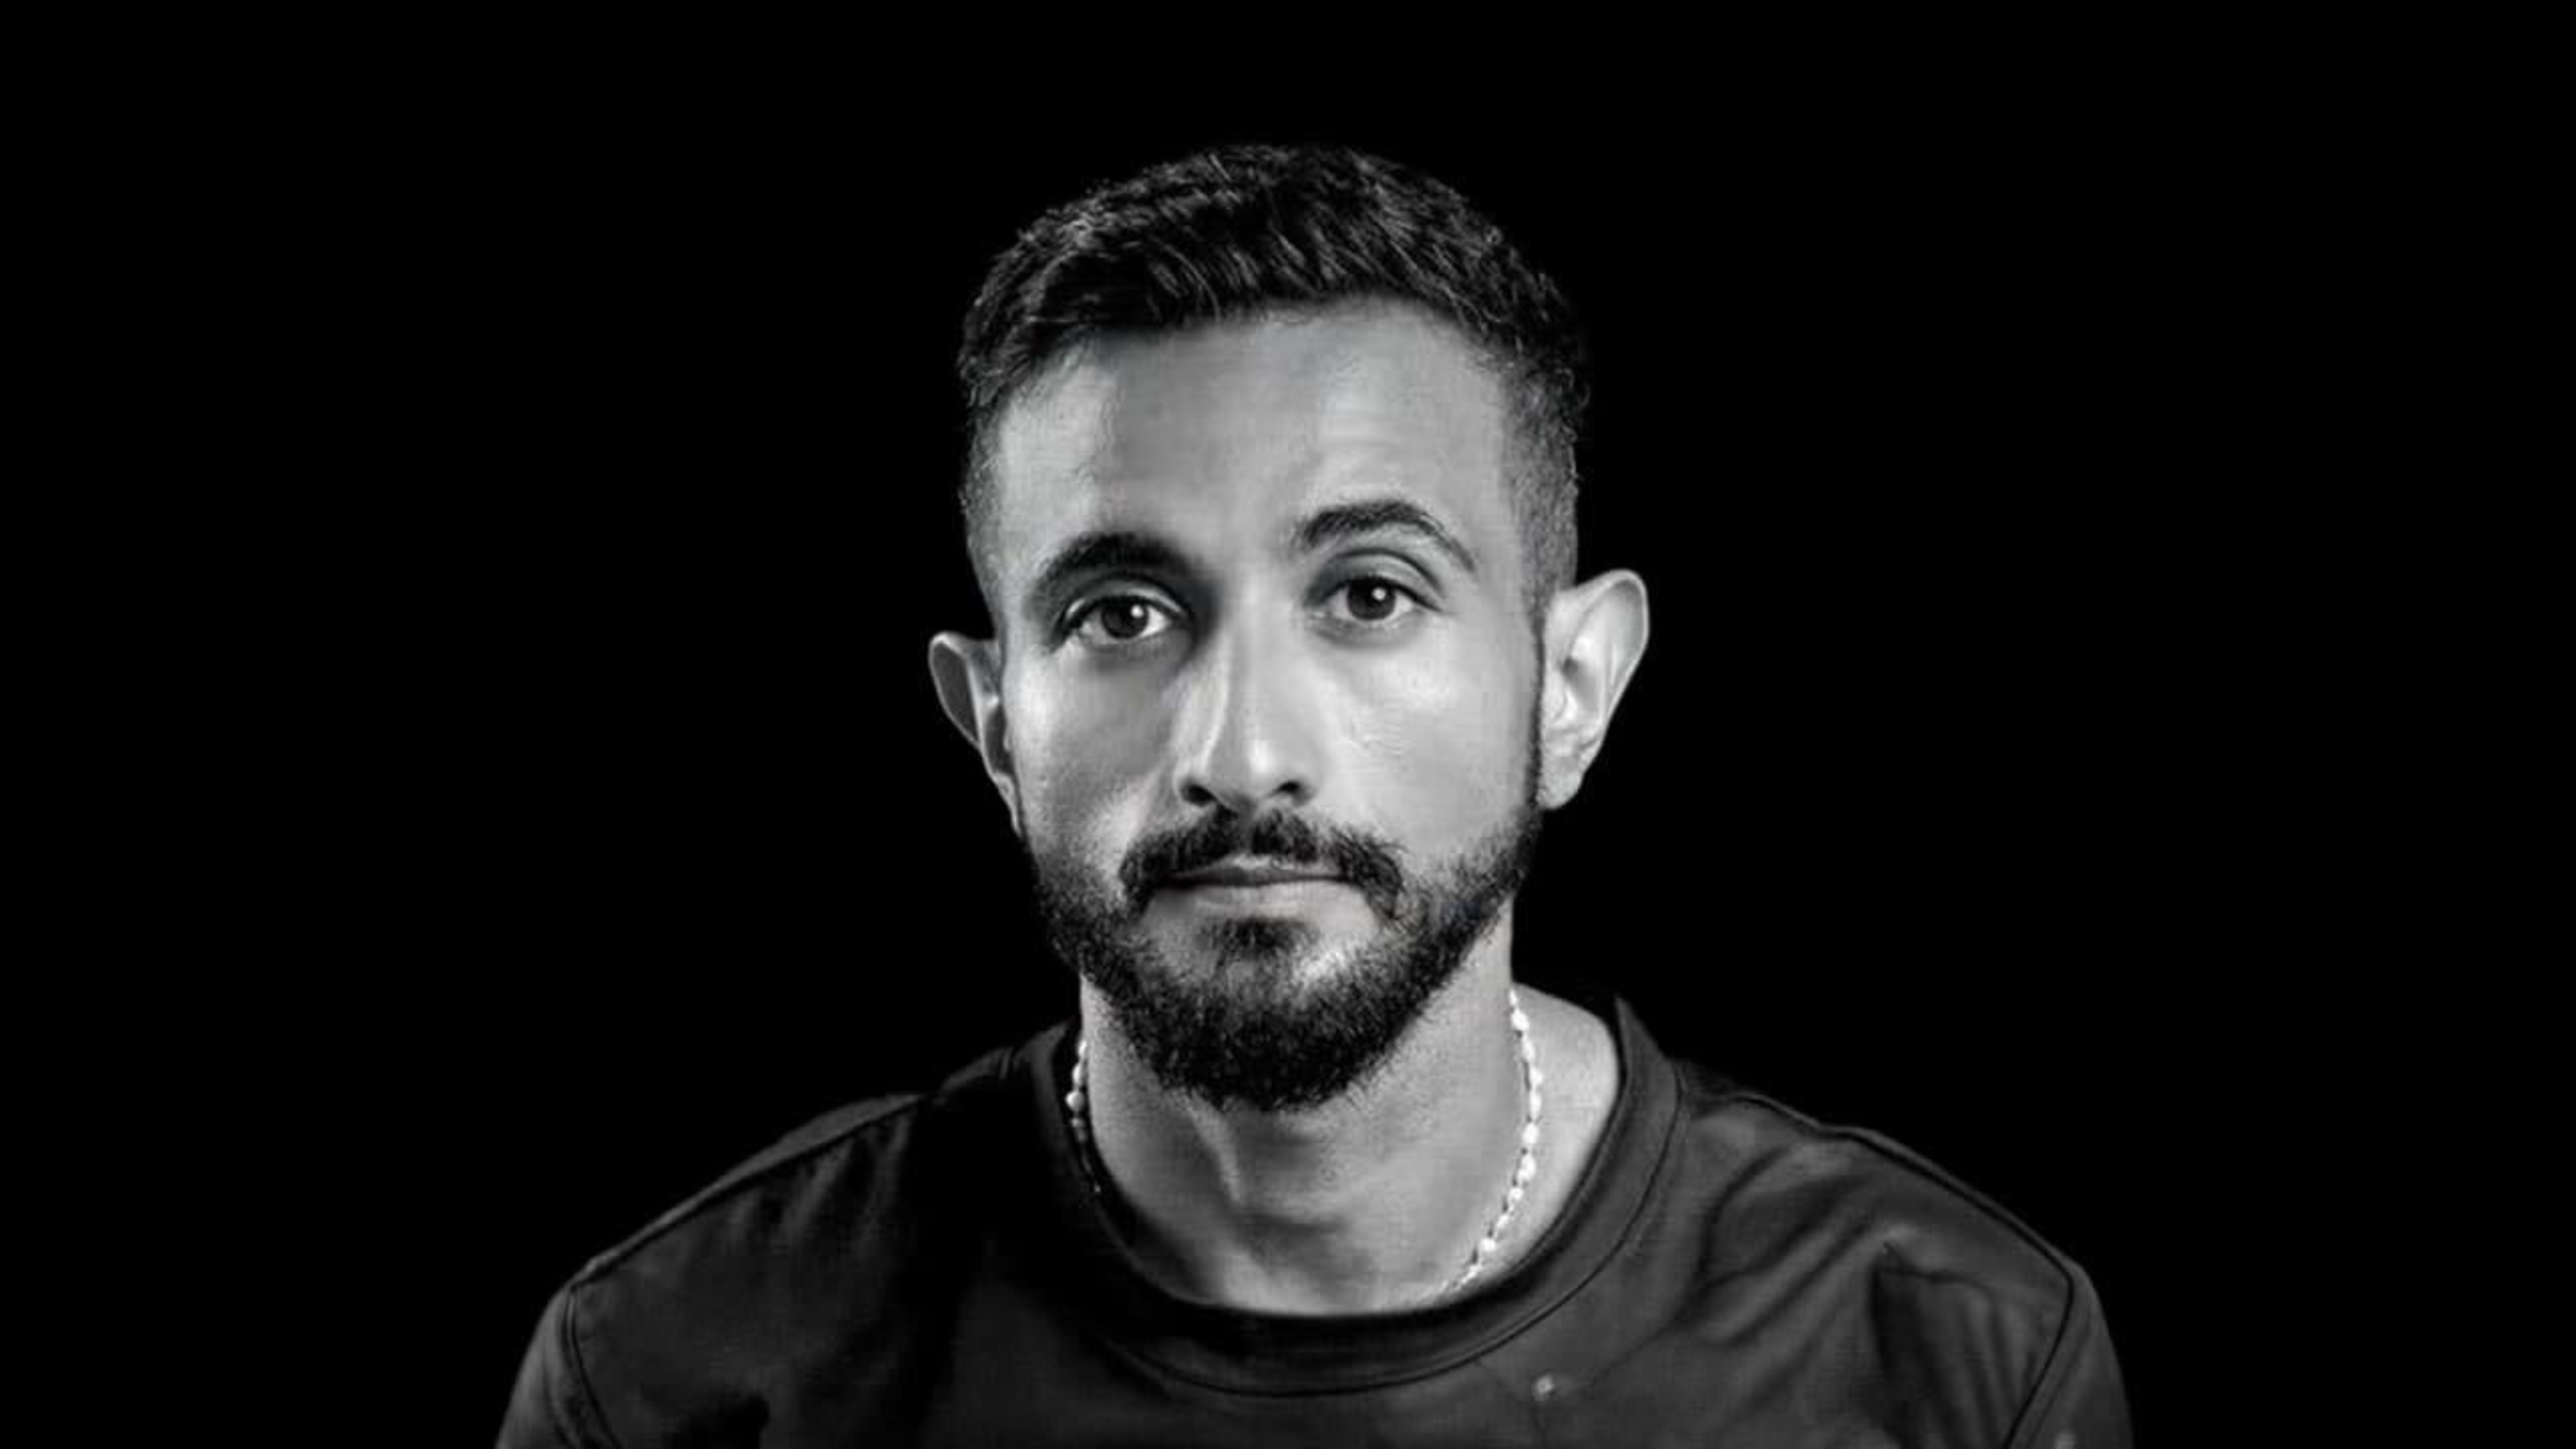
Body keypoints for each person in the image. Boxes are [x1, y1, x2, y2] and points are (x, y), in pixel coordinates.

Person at [499, 143, 2132, 1448]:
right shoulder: (676, 1375)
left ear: (1570, 690)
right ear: (996, 729)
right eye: (1122, 615)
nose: (1241, 747)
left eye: (1368, 595)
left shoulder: (1953, 1356)